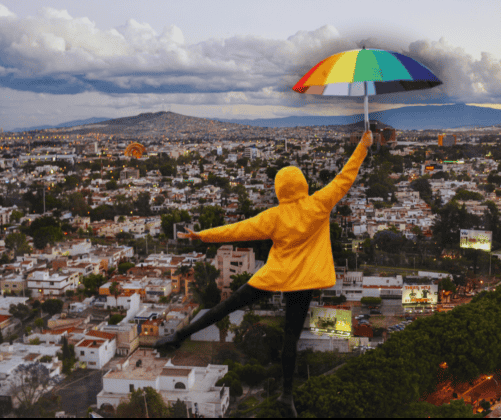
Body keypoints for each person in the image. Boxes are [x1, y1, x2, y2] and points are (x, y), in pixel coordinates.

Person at [155, 130, 373, 417]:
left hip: (274, 275)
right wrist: (363, 146)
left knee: (224, 307)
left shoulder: (273, 217)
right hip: (303, 281)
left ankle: (179, 335)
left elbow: (236, 230)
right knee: (290, 340)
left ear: (280, 188)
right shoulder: (319, 203)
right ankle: (286, 395)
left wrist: (201, 236)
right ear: (303, 185)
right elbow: (346, 176)